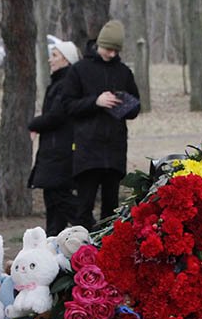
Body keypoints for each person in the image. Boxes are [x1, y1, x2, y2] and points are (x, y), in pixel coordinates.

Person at [61, 20, 140, 227]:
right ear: (99, 45)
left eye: (116, 50)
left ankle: (108, 251)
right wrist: (95, 101)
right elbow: (67, 105)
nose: (112, 54)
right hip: (87, 152)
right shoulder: (79, 70)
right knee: (83, 207)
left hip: (114, 151)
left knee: (112, 209)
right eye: (108, 49)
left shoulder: (124, 72)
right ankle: (82, 251)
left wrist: (125, 104)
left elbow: (136, 108)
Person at [28, 41, 81, 235]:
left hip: (60, 152)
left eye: (55, 55)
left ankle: (92, 232)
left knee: (61, 199)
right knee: (53, 202)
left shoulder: (66, 84)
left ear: (66, 59)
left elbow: (57, 116)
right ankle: (51, 243)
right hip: (53, 151)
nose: (50, 59)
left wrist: (33, 124)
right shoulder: (58, 83)